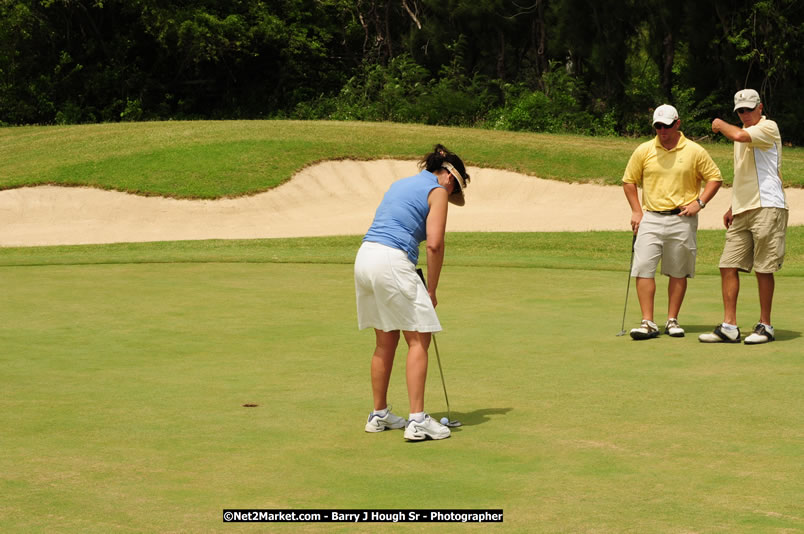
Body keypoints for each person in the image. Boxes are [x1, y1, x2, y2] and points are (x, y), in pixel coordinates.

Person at [355, 144, 469, 441]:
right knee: (419, 335)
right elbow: (434, 244)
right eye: (455, 185)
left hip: (365, 257)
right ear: (447, 176)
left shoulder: (401, 183)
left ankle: (379, 415)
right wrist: (431, 289)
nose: (452, 191)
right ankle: (417, 420)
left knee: (385, 338)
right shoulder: (438, 191)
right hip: (391, 259)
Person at [623, 104, 723, 340]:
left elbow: (715, 178)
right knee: (643, 268)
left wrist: (700, 202)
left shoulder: (694, 151)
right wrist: (636, 211)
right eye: (658, 126)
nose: (662, 130)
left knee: (678, 271)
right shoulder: (644, 150)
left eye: (666, 125)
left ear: (677, 124)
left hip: (682, 218)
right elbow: (629, 181)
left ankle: (672, 320)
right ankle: (647, 322)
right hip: (651, 217)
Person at [699, 89, 788, 344]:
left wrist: (718, 123)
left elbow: (738, 133)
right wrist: (732, 206)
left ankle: (765, 325)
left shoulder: (767, 126)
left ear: (760, 107)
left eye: (749, 109)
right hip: (743, 209)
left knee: (763, 268)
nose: (745, 114)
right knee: (727, 264)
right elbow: (742, 175)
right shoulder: (741, 136)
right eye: (740, 110)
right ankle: (729, 326)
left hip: (768, 206)